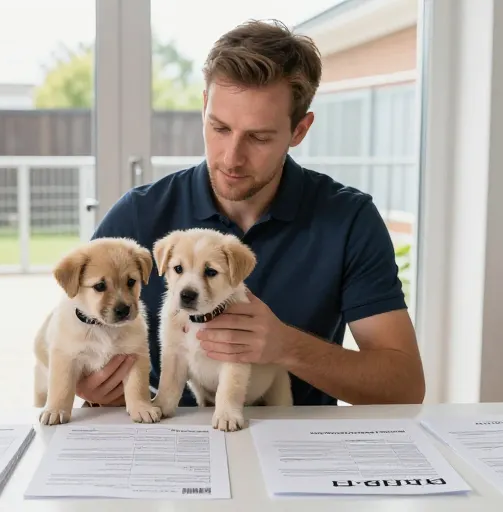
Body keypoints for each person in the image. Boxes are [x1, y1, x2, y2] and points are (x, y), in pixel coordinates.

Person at [75, 19, 425, 408]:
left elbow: (404, 388)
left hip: (297, 445)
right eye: (220, 127)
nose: (231, 158)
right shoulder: (139, 216)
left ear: (300, 130)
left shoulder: (348, 219)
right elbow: (69, 336)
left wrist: (286, 347)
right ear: (204, 105)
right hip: (167, 439)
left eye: (259, 137)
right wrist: (87, 381)